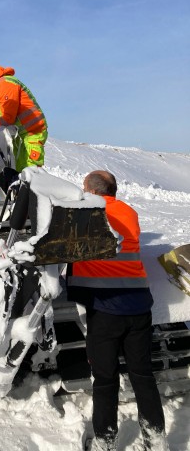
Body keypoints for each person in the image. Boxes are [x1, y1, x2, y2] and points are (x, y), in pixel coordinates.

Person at [67, 171, 167, 451]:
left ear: (89, 190)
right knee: (143, 376)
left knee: (105, 379)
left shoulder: (85, 212)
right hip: (138, 305)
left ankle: (105, 442)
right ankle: (156, 441)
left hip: (106, 310)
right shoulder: (129, 212)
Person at [0, 57, 47, 171]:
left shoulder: (5, 83)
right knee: (20, 170)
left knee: (31, 171)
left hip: (32, 132)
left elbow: (8, 117)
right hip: (20, 134)